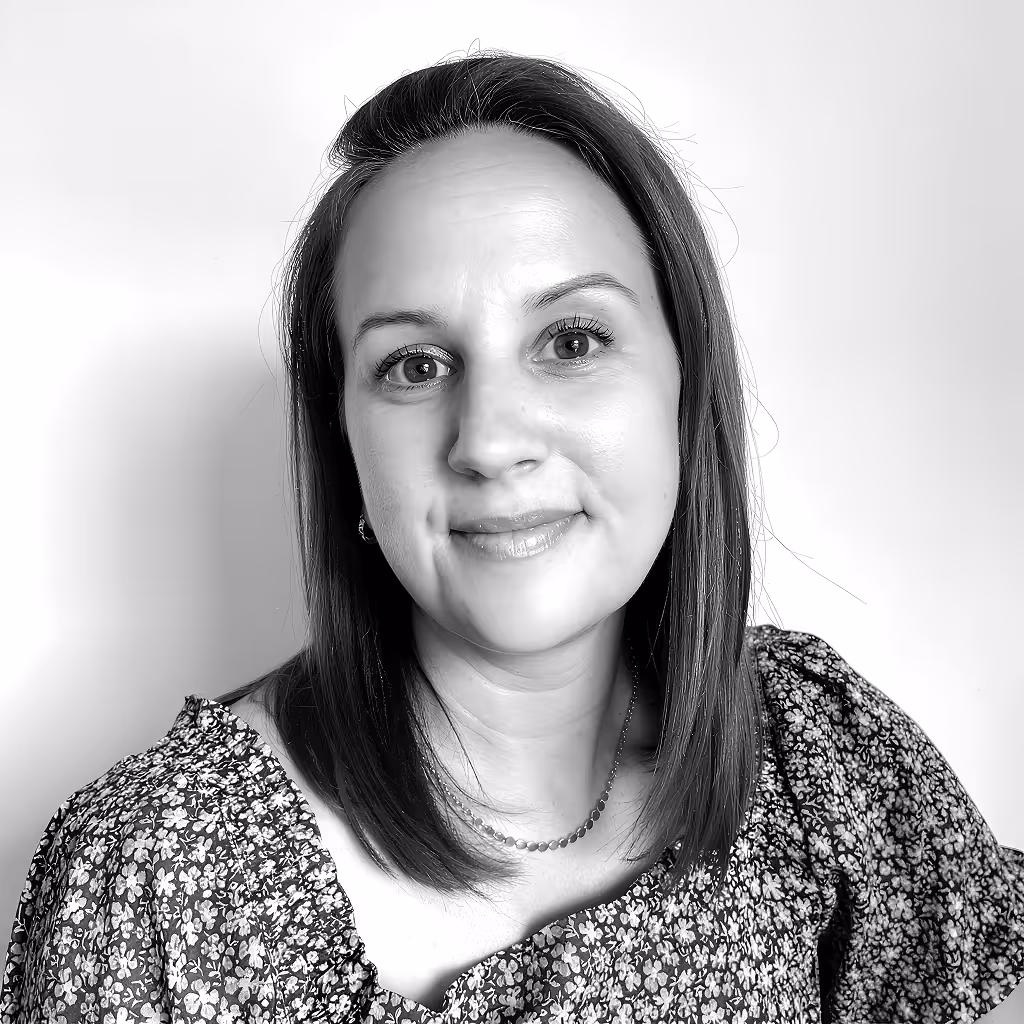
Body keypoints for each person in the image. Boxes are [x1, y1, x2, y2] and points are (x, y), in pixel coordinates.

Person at [1, 50, 1021, 1024]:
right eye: (412, 364)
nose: (488, 441)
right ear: (344, 444)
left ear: (683, 390)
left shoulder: (821, 756)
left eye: (570, 341)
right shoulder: (153, 876)